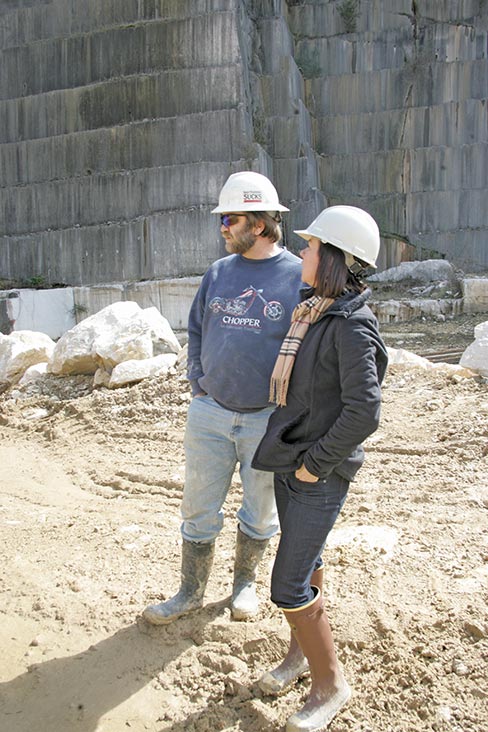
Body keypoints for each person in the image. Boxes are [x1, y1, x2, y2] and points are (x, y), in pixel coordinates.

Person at [143, 171, 303, 625]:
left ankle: (244, 586)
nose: (222, 228)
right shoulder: (218, 273)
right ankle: (189, 592)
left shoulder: (295, 277)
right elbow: (195, 329)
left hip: (266, 421)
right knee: (197, 508)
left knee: (259, 509)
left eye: (229, 219)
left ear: (258, 224)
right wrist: (198, 380)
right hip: (209, 413)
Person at [252, 205, 388, 732]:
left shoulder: (352, 326)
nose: (302, 253)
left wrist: (314, 466)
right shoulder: (314, 311)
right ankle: (300, 656)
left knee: (287, 585)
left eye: (310, 248)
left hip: (317, 473)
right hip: (293, 460)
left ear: (332, 258)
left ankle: (330, 685)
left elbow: (364, 412)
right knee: (308, 562)